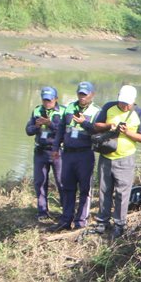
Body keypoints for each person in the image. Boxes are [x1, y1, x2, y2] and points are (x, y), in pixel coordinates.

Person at [92, 85, 141, 239]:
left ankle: (119, 224)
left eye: (127, 103)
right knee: (104, 189)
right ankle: (102, 221)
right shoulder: (109, 107)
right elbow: (97, 126)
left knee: (122, 192)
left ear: (133, 101)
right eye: (122, 102)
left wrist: (127, 132)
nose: (124, 106)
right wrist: (110, 126)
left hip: (125, 158)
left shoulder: (140, 113)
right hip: (106, 156)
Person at [52, 82, 101, 232]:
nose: (82, 97)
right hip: (67, 154)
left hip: (85, 154)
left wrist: (84, 123)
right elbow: (61, 128)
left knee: (85, 188)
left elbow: (97, 132)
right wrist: (55, 147)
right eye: (80, 94)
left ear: (92, 95)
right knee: (67, 187)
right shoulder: (69, 107)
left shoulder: (97, 111)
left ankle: (81, 222)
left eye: (85, 94)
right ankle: (66, 219)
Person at [25, 86, 65, 220]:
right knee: (40, 182)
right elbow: (28, 131)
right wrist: (36, 126)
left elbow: (64, 132)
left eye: (50, 100)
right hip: (40, 151)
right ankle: (42, 211)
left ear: (56, 99)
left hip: (56, 152)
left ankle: (66, 210)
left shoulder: (63, 111)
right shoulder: (37, 110)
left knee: (61, 182)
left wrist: (50, 124)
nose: (47, 103)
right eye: (45, 100)